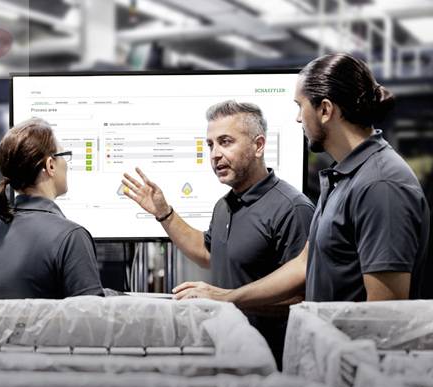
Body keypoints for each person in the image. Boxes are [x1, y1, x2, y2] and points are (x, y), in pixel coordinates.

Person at [173, 53, 429, 310]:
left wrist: (227, 298)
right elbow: (304, 263)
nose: (298, 118)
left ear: (325, 110)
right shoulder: (344, 177)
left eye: (300, 106)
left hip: (350, 339)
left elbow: (384, 312)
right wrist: (227, 297)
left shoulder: (380, 184)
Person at [122, 100, 314, 368]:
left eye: (225, 142)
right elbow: (209, 253)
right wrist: (164, 213)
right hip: (228, 355)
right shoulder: (224, 206)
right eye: (210, 145)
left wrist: (225, 299)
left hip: (273, 364)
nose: (214, 154)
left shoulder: (292, 208)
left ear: (258, 146)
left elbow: (302, 299)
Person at [0, 118, 104, 299]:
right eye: (63, 155)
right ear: (50, 165)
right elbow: (91, 313)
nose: (66, 163)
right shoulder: (71, 237)